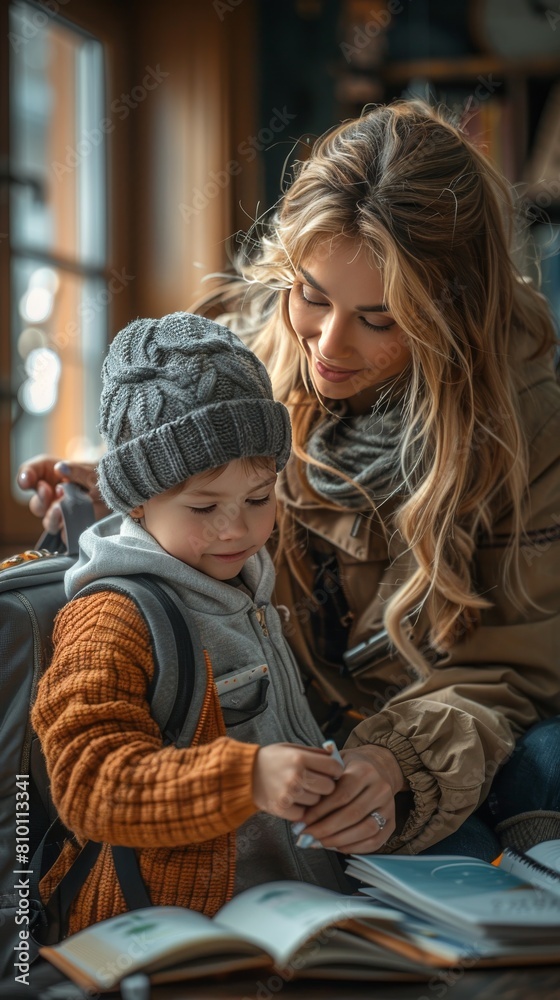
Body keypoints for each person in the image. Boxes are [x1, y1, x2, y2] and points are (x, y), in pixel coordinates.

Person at [22, 100, 560, 864]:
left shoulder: (529, 428)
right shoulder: (229, 364)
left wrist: (394, 763)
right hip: (263, 754)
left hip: (436, 747)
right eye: (311, 295)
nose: (329, 345)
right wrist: (133, 498)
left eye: (380, 319)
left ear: (455, 313)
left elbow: (513, 664)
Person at [31, 311, 357, 936]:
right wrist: (246, 778)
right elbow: (86, 782)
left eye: (258, 499)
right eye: (204, 507)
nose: (237, 529)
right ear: (137, 503)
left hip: (294, 911)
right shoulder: (110, 616)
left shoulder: (245, 583)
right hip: (179, 936)